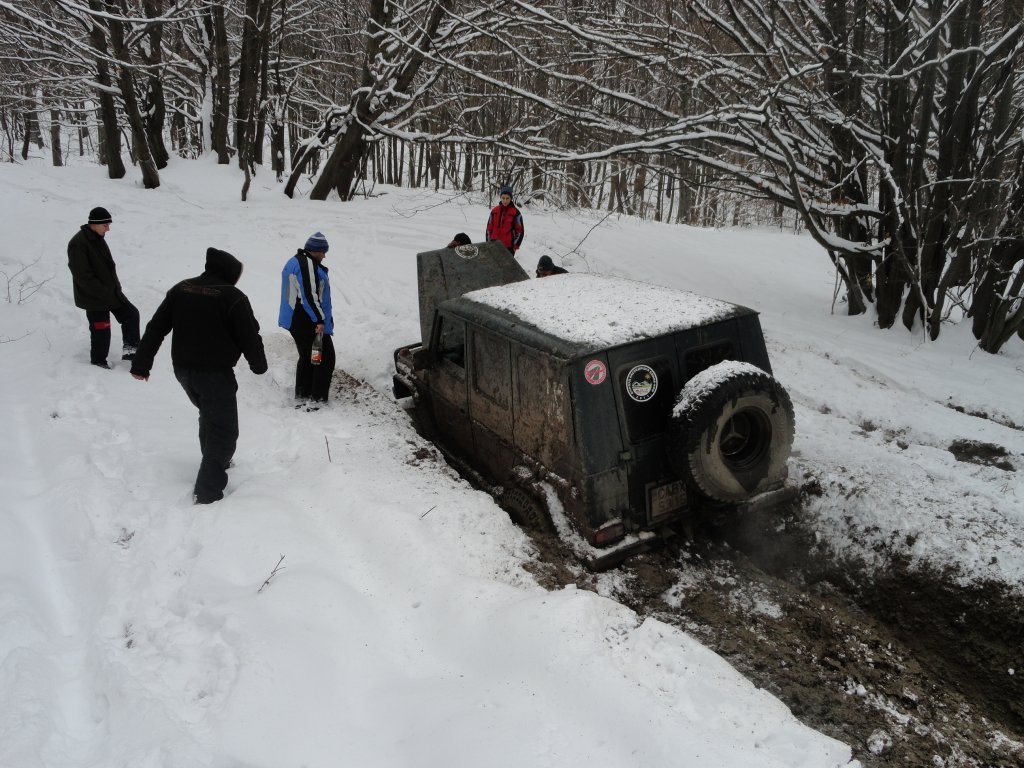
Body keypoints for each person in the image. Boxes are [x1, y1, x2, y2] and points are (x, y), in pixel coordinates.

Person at [130, 247, 267, 505]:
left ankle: (217, 462)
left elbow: (156, 327)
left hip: (183, 370)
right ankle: (207, 492)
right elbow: (249, 335)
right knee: (223, 431)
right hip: (215, 374)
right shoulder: (232, 296)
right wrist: (258, 364)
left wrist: (141, 364)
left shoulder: (181, 289)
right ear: (229, 272)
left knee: (209, 414)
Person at [67, 206, 141, 369]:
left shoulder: (97, 237)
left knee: (131, 314)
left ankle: (131, 353)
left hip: (111, 293)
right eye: (105, 225)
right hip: (93, 297)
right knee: (101, 329)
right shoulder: (78, 243)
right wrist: (104, 292)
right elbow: (83, 276)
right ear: (94, 224)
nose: (108, 229)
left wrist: (115, 289)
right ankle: (98, 362)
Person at [278, 231, 335, 406]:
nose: (324, 256)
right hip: (307, 322)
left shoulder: (296, 261)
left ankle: (303, 393)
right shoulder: (306, 265)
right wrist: (319, 321)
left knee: (309, 356)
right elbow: (309, 296)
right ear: (315, 250)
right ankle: (317, 398)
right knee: (323, 358)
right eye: (323, 252)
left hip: (297, 320)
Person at [485, 185, 524, 254]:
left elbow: (520, 231)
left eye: (507, 198)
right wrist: (488, 243)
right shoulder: (494, 211)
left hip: (508, 247)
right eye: (503, 198)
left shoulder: (516, 213)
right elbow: (489, 228)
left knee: (506, 265)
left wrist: (515, 246)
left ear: (510, 198)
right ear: (500, 197)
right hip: (494, 244)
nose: (505, 200)